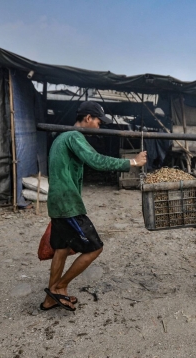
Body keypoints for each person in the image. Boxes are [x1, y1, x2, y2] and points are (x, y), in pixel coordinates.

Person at [41, 101, 147, 311]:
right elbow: (96, 161)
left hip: (57, 201)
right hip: (68, 204)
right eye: (99, 121)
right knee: (95, 248)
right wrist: (132, 163)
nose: (99, 126)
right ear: (88, 118)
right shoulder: (73, 136)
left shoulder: (61, 137)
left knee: (61, 249)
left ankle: (50, 298)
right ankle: (59, 288)